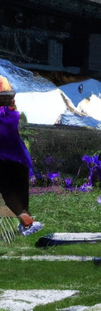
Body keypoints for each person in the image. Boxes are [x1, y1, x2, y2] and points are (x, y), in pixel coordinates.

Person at [0, 75, 44, 237]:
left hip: (12, 158)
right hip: (11, 158)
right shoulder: (10, 116)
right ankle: (26, 223)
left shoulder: (10, 116)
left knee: (13, 191)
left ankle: (26, 223)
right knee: (13, 191)